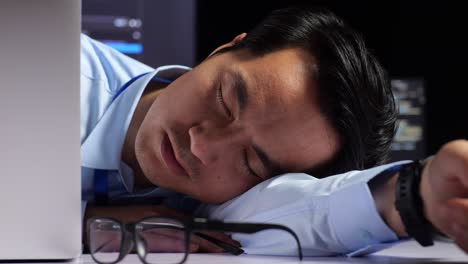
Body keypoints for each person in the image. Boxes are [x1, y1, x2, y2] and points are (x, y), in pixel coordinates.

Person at [81, 7, 468, 256]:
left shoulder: (214, 202)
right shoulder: (53, 73)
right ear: (225, 49)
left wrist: (414, 195)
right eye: (226, 99)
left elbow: (299, 208)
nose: (201, 144)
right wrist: (83, 223)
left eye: (250, 162)